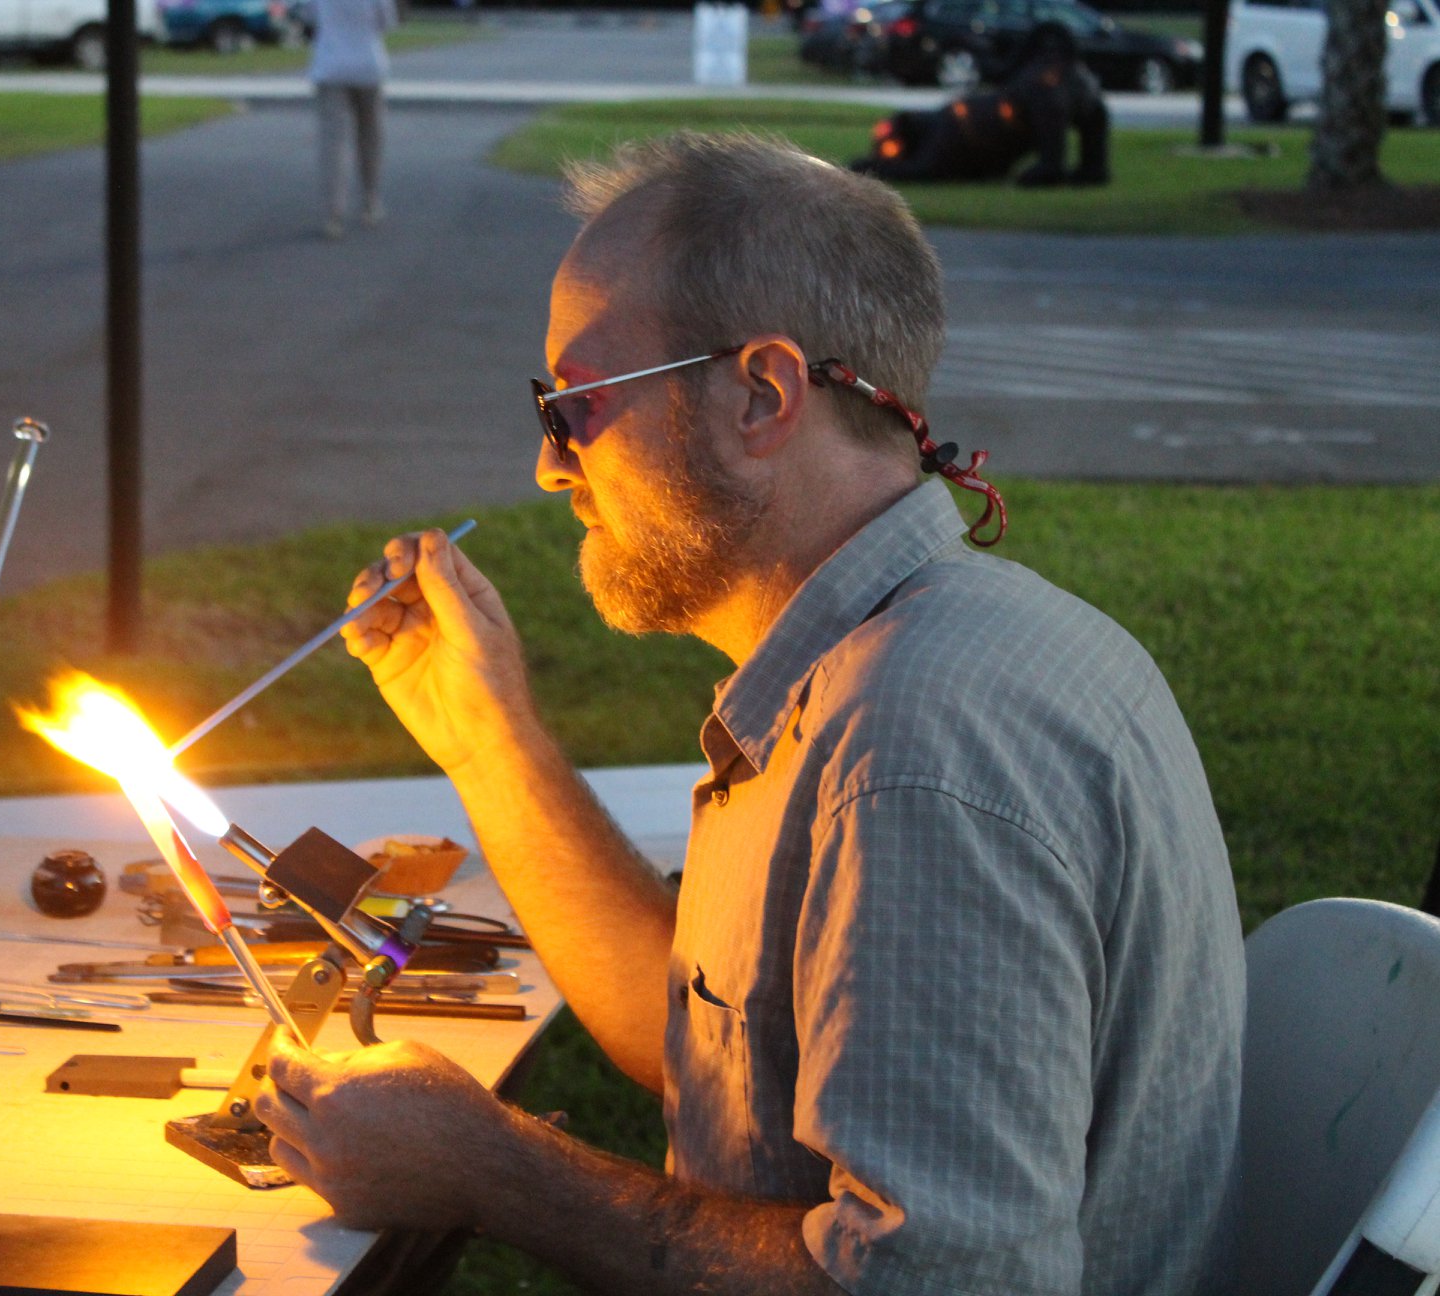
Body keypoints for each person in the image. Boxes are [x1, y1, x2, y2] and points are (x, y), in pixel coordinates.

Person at [254, 132, 1243, 1294]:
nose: (550, 466)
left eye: (573, 405)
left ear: (762, 396)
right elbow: (712, 1048)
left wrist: (490, 1168)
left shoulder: (916, 748)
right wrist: (485, 735)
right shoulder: (884, 664)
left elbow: (930, 1285)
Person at [852, 23, 1110, 186]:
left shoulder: (1045, 89)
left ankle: (868, 167)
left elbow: (922, 169)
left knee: (923, 167)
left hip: (970, 126)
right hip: (982, 130)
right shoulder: (1066, 86)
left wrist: (867, 167)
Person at [306, 0, 397, 239]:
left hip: (330, 65)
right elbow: (387, 21)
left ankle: (333, 213)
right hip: (368, 65)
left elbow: (311, 15)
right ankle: (370, 200)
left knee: (332, 143)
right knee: (370, 136)